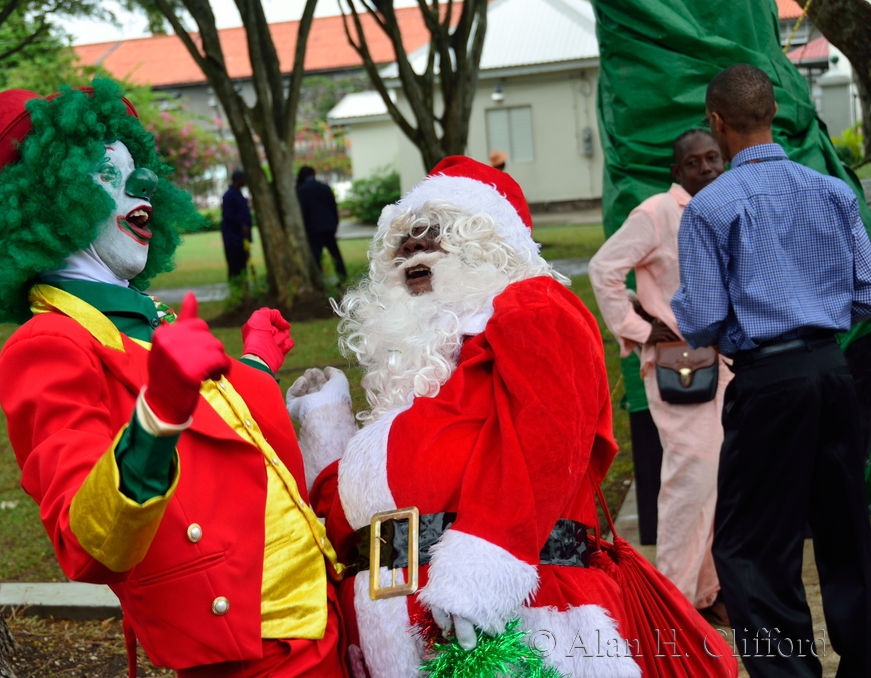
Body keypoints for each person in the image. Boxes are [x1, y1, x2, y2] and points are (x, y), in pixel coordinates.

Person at [0, 80, 347, 678]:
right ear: (48, 203)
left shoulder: (140, 313)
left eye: (136, 172)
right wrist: (158, 411)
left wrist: (254, 364)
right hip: (253, 651)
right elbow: (88, 541)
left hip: (321, 613)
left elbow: (216, 426)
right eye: (107, 174)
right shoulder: (47, 345)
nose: (143, 187)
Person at [287, 157, 646, 678]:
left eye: (437, 232)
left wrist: (481, 572)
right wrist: (326, 425)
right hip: (398, 637)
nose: (413, 246)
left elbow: (547, 440)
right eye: (402, 240)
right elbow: (365, 520)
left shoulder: (534, 307)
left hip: (513, 624)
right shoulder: (415, 390)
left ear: (489, 246)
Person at [671, 64, 871, 677]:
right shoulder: (833, 192)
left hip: (767, 382)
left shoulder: (710, 208)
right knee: (847, 531)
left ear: (716, 122)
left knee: (753, 548)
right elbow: (866, 293)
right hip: (833, 371)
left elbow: (704, 319)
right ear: (774, 113)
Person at [588, 128, 730, 624]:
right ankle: (671, 605)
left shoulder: (721, 208)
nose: (706, 168)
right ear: (676, 171)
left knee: (713, 480)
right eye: (694, 162)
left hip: (725, 364)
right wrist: (640, 329)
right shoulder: (656, 212)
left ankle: (706, 593)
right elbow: (603, 269)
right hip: (681, 367)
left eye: (713, 158)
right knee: (689, 481)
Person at [295, 166, 346, 281]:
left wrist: (305, 228)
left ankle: (318, 279)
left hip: (313, 228)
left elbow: (303, 211)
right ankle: (342, 276)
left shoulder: (300, 190)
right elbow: (333, 207)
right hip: (328, 225)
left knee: (316, 256)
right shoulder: (325, 187)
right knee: (335, 254)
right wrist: (335, 224)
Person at [221, 169, 252, 281]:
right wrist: (241, 225)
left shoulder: (239, 195)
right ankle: (236, 285)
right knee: (235, 264)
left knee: (243, 263)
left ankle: (243, 285)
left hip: (241, 238)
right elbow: (229, 216)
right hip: (233, 238)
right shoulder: (230, 196)